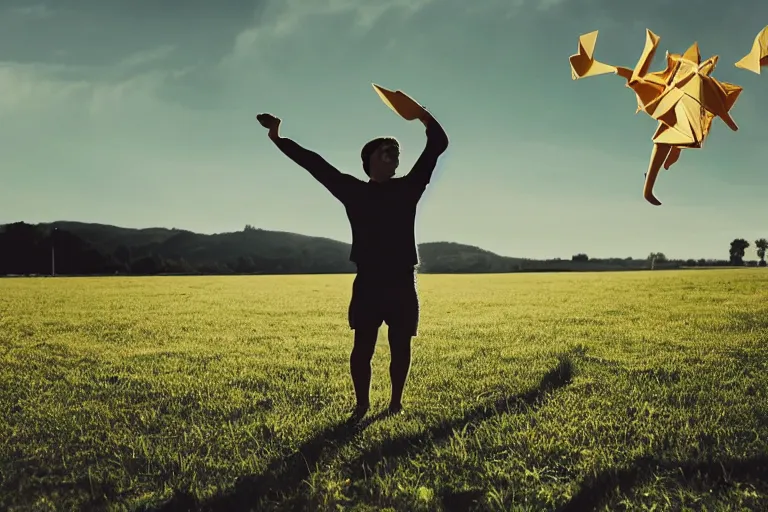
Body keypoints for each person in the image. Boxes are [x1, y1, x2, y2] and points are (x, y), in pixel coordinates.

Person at [257, 104, 449, 420]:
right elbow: (313, 163)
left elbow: (438, 144)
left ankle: (395, 404)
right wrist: (277, 136)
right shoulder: (353, 191)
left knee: (401, 347)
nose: (394, 155)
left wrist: (422, 116)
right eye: (385, 151)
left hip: (402, 281)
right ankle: (362, 405)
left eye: (396, 152)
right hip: (369, 282)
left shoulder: (408, 188)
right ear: (368, 161)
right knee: (363, 348)